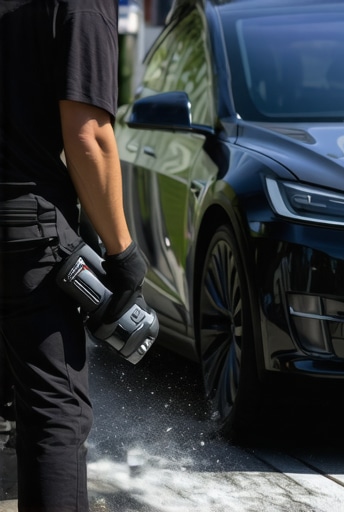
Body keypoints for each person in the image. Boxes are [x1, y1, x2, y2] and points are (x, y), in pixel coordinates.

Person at [0, 1, 148, 510]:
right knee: (54, 414)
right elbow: (88, 135)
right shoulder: (81, 6)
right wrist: (123, 254)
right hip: (22, 232)